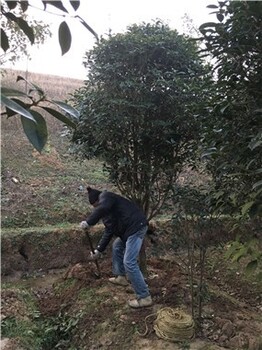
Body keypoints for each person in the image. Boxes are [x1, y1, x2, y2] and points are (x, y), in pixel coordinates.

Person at [80, 186, 153, 308]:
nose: (96, 208)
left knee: (129, 262)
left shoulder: (106, 196)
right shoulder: (108, 212)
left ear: (98, 201)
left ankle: (144, 297)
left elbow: (102, 208)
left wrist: (89, 221)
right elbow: (109, 231)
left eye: (96, 206)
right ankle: (121, 277)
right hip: (128, 231)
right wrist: (99, 250)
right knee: (117, 246)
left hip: (136, 227)